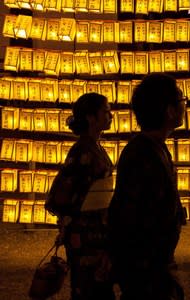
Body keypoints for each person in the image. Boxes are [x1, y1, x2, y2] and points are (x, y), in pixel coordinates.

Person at [107, 73, 187, 300]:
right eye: (181, 101)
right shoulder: (141, 154)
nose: (184, 106)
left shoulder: (155, 148)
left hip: (155, 261)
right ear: (169, 111)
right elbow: (127, 212)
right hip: (144, 265)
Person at [45, 92, 115, 300]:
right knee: (88, 286)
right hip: (85, 232)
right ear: (91, 118)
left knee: (99, 285)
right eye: (106, 111)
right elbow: (63, 193)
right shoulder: (82, 151)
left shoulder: (94, 148)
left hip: (97, 228)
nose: (110, 115)